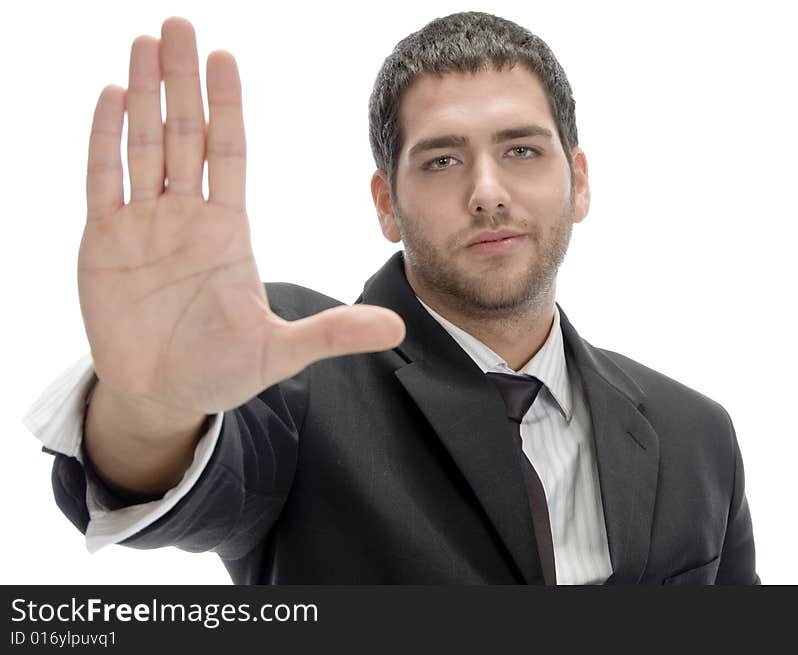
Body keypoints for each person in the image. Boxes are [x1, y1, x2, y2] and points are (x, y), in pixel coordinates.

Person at [25, 12, 759, 584]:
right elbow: (178, 483)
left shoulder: (697, 435)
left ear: (581, 180)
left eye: (522, 150)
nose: (487, 192)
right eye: (442, 159)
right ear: (386, 203)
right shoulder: (291, 358)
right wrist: (155, 405)